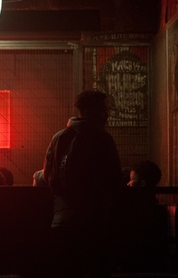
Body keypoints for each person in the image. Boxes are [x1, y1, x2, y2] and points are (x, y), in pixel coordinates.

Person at [43, 90, 123, 277]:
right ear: (93, 111)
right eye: (104, 109)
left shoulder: (59, 137)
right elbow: (114, 178)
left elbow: (47, 175)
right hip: (94, 221)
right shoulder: (103, 138)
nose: (107, 114)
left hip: (61, 221)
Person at [114, 159, 169, 273]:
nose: (128, 184)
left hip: (128, 267)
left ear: (142, 184)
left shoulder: (127, 210)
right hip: (153, 268)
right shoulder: (160, 211)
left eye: (131, 180)